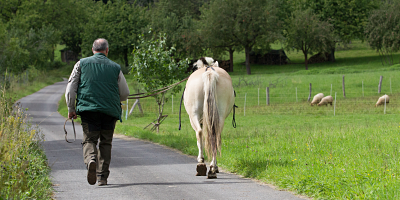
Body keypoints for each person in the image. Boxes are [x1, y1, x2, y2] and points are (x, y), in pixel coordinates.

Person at [65, 38, 130, 186]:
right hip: (109, 111)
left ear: (93, 50)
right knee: (106, 143)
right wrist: (113, 98)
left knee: (90, 140)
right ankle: (102, 177)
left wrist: (71, 108)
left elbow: (70, 88)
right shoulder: (115, 67)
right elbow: (125, 93)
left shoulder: (81, 64)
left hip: (89, 110)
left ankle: (91, 160)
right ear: (107, 51)